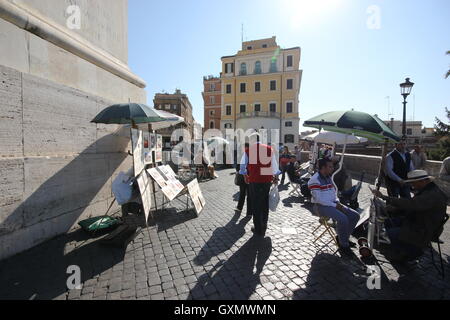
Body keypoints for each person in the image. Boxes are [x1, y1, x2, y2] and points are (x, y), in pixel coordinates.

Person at [372, 170, 448, 262]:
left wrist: (384, 197)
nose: (412, 185)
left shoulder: (432, 194)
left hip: (422, 229)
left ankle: (411, 251)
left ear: (422, 181)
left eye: (413, 183)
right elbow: (415, 206)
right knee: (387, 222)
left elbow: (411, 203)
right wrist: (395, 209)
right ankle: (401, 248)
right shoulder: (428, 189)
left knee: (387, 234)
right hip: (418, 220)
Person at [308, 158, 360, 256]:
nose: (333, 168)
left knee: (355, 215)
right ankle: (344, 245)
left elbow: (333, 193)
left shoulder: (328, 177)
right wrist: (335, 205)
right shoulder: (314, 180)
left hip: (332, 204)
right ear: (323, 168)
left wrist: (337, 202)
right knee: (343, 219)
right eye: (330, 167)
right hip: (320, 207)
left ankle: (342, 238)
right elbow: (319, 200)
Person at [240, 133, 280, 237]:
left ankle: (258, 228)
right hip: (266, 179)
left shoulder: (249, 150)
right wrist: (276, 177)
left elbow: (243, 165)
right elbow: (274, 165)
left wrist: (245, 176)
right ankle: (264, 224)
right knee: (264, 202)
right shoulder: (269, 149)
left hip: (255, 179)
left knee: (255, 203)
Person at [236, 143, 251, 216]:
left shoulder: (244, 154)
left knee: (247, 194)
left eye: (244, 147)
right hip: (246, 176)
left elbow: (238, 167)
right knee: (244, 193)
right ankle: (243, 209)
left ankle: (247, 211)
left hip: (246, 176)